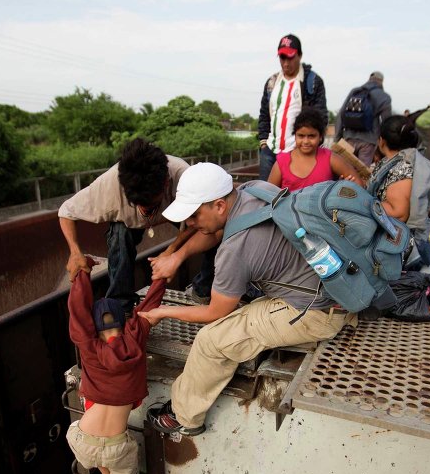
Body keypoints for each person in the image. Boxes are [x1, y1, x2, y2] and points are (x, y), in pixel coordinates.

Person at [140, 163, 356, 436]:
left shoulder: (234, 251)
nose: (190, 224)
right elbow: (215, 233)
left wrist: (162, 312)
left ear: (219, 206)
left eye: (194, 215)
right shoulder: (254, 190)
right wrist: (177, 256)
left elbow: (214, 312)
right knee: (244, 312)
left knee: (210, 340)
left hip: (316, 312)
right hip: (336, 286)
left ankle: (183, 416)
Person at [66, 256, 166, 474]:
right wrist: (161, 277)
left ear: (94, 327)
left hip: (82, 441)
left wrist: (82, 274)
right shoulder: (135, 336)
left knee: (86, 414)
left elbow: (78, 313)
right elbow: (149, 307)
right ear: (123, 322)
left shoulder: (88, 346)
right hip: (116, 445)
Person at [58, 138, 214, 307]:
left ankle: (203, 290)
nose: (145, 212)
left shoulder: (183, 175)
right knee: (119, 236)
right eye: (138, 204)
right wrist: (75, 252)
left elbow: (205, 218)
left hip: (177, 210)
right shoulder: (108, 184)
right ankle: (120, 304)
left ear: (166, 183)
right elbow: (66, 212)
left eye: (151, 206)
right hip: (128, 222)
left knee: (213, 228)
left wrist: (172, 250)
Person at [366, 116, 430, 270]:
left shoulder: (402, 168)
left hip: (400, 249)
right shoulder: (395, 162)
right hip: (399, 240)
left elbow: (398, 213)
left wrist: (362, 202)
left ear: (381, 141)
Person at [257, 33, 327, 181]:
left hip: (296, 152)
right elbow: (264, 114)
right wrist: (263, 142)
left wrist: (307, 148)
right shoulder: (272, 82)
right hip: (270, 150)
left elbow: (320, 118)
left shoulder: (312, 82)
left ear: (299, 55)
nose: (286, 63)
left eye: (290, 57)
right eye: (282, 58)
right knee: (263, 191)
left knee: (294, 193)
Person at [268, 107, 362, 191]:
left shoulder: (330, 159)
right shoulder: (282, 162)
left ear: (320, 137)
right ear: (295, 136)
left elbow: (358, 183)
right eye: (301, 136)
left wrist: (344, 190)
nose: (306, 141)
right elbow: (267, 195)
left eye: (311, 136)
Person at [333, 71, 393, 166]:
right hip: (368, 142)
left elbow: (341, 114)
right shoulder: (384, 97)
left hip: (348, 138)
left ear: (369, 79)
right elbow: (387, 123)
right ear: (381, 81)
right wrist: (383, 147)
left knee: (346, 170)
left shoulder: (355, 91)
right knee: (361, 172)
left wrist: (337, 138)